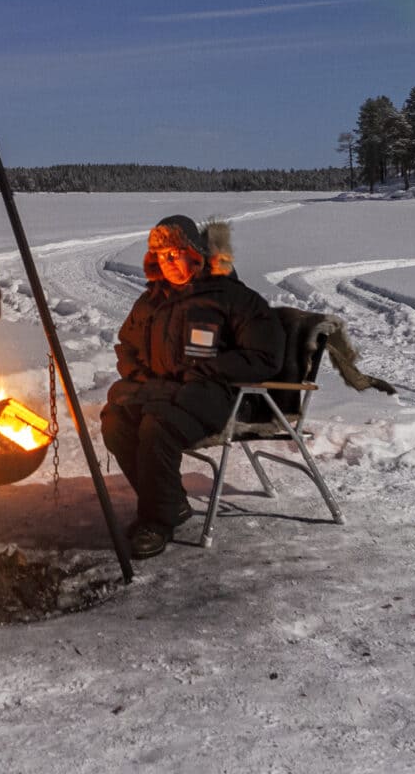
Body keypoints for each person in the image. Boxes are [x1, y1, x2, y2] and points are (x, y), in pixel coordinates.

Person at [101, 214, 284, 558]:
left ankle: (157, 520)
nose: (168, 262)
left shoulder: (231, 296)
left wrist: (209, 369)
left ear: (195, 252)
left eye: (175, 253)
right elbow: (128, 346)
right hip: (165, 393)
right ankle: (171, 503)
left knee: (157, 428)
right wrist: (139, 378)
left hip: (219, 395)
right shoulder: (153, 300)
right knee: (115, 421)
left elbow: (265, 355)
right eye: (161, 256)